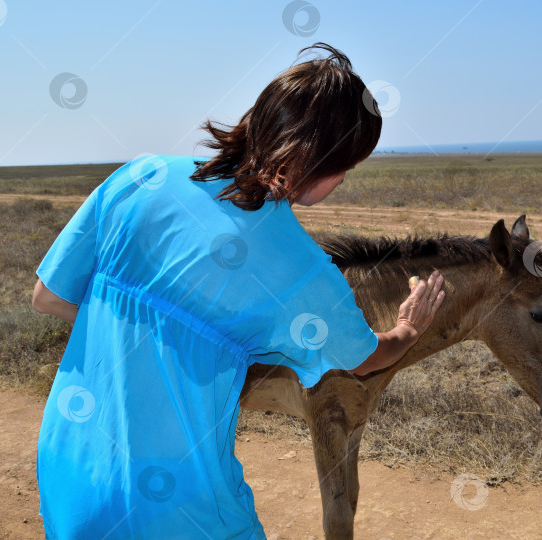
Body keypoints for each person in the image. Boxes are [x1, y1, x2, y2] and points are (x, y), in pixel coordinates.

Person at [31, 43, 445, 539]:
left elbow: (48, 297)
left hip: (68, 468)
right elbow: (364, 358)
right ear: (320, 162)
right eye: (346, 167)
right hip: (178, 505)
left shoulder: (142, 175)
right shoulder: (302, 270)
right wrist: (408, 327)